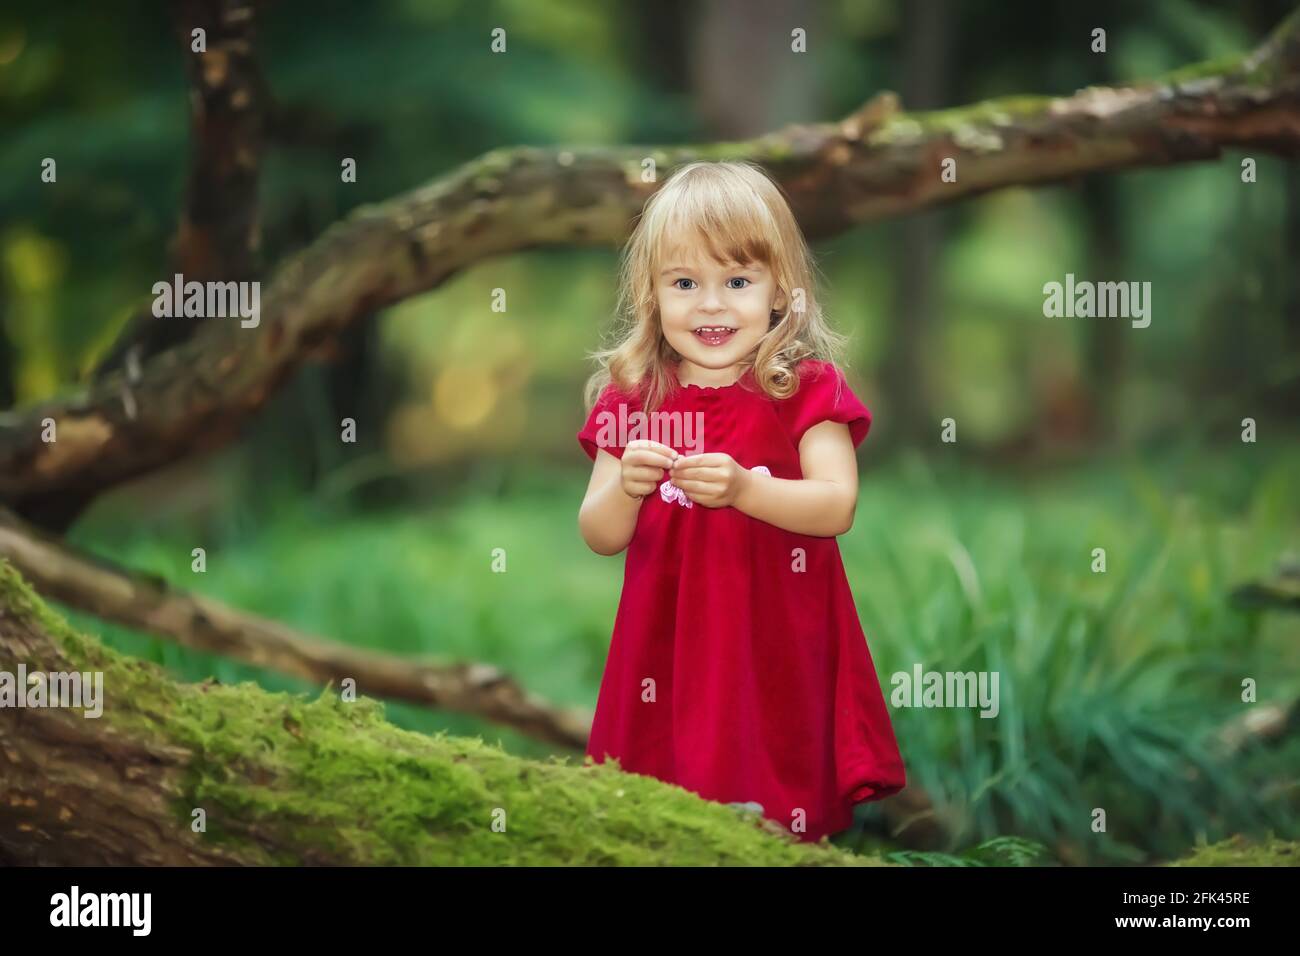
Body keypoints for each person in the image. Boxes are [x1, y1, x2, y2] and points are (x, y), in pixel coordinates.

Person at [576, 160, 905, 843]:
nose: (712, 305)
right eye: (686, 282)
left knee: (773, 786)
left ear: (781, 292)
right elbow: (599, 533)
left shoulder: (806, 390)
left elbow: (836, 504)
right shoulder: (632, 399)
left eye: (737, 281)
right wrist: (626, 486)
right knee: (662, 804)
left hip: (773, 633)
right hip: (665, 644)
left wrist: (746, 488)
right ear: (652, 292)